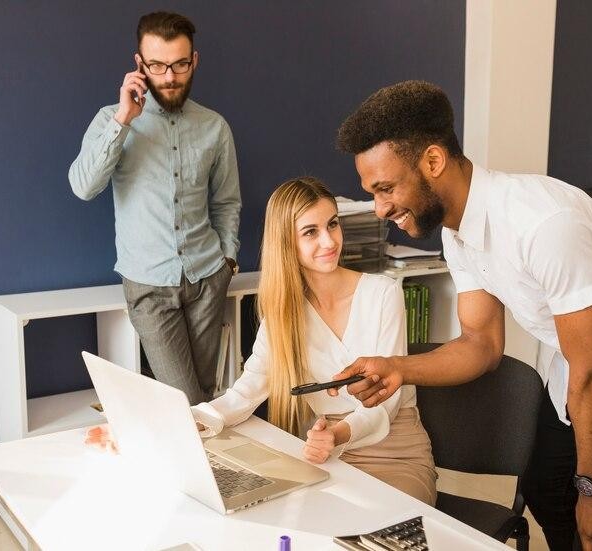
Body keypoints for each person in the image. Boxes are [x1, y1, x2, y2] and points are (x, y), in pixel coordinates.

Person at [331, 80, 592, 550]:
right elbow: (480, 344)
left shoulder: (542, 224)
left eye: (386, 188)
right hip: (584, 360)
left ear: (432, 162)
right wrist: (398, 369)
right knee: (546, 488)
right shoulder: (457, 233)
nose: (380, 209)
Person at [87, 177, 437, 505]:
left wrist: (339, 433)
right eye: (310, 232)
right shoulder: (284, 313)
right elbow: (245, 393)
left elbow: (385, 404)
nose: (329, 241)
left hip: (394, 451)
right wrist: (152, 427)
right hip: (327, 452)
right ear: (287, 242)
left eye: (332, 224)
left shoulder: (383, 294)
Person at [69, 11, 241, 404]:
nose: (169, 76)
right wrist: (124, 119)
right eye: (158, 65)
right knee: (184, 401)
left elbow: (227, 201)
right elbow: (82, 187)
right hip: (149, 287)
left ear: (194, 60)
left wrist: (227, 261)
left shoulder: (215, 127)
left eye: (180, 64)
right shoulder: (111, 120)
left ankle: (206, 467)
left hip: (207, 279)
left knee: (207, 398)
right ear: (139, 64)